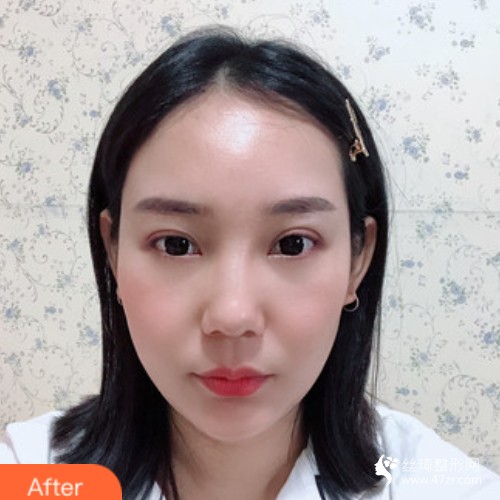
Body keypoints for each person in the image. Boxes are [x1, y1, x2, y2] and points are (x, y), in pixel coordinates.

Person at [1, 27, 499, 500]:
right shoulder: (30, 471)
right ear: (112, 250)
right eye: (175, 244)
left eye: (293, 244)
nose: (232, 316)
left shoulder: (426, 482)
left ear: (357, 259)